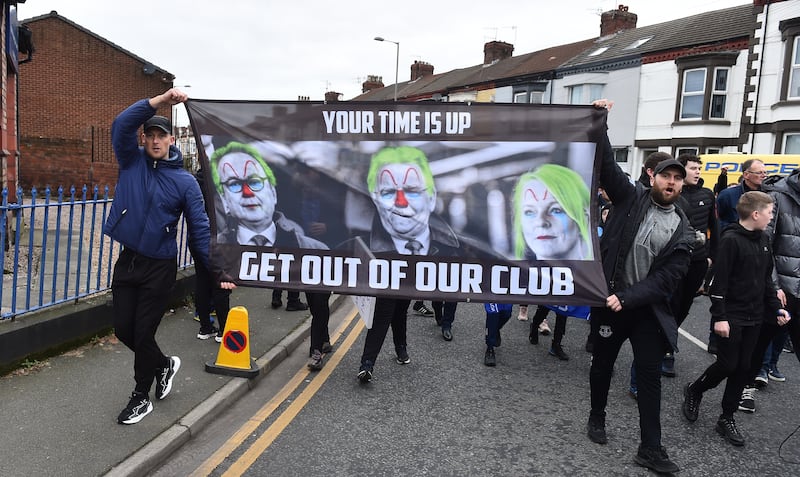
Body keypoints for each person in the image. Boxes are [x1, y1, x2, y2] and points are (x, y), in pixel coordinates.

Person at [586, 99, 690, 475]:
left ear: (682, 184)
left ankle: (651, 447)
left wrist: (627, 298)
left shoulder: (683, 231)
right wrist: (601, 122)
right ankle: (597, 416)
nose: (672, 182)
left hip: (642, 310)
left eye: (678, 178)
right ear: (653, 177)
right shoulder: (629, 198)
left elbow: (666, 281)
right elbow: (606, 167)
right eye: (667, 176)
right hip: (609, 302)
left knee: (649, 375)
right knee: (603, 365)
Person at [106, 88, 212, 425]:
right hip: (129, 261)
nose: (154, 140)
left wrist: (218, 269)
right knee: (124, 329)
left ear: (170, 141)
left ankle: (140, 397)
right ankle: (164, 364)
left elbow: (200, 228)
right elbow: (121, 124)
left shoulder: (184, 182)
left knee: (142, 332)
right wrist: (159, 100)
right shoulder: (131, 160)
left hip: (159, 268)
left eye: (160, 135)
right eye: (149, 134)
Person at [208, 141, 332, 369]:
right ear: (225, 201)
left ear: (272, 192)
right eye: (235, 185)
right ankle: (322, 338)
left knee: (319, 304)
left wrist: (328, 226)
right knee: (315, 306)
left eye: (254, 182)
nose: (247, 192)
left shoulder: (329, 195)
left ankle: (317, 347)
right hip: (288, 258)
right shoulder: (222, 248)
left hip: (314, 257)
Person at [681, 191, 789, 447]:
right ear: (755, 214)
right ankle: (695, 389)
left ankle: (726, 417)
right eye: (769, 212)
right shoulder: (731, 240)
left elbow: (765, 281)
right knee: (728, 364)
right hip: (731, 316)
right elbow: (718, 283)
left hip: (756, 316)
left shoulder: (763, 239)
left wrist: (776, 308)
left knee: (744, 368)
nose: (771, 216)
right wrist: (719, 317)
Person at [356, 145, 460, 382]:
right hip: (388, 275)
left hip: (411, 278)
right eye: (388, 192)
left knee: (400, 309)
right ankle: (368, 363)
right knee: (384, 311)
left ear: (431, 197)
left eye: (412, 190)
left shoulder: (455, 247)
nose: (400, 201)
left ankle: (401, 347)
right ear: (375, 199)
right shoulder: (363, 246)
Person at [512, 163, 593, 362]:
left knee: (564, 310)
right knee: (547, 305)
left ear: (581, 215)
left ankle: (556, 344)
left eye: (556, 210)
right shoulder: (529, 254)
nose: (541, 221)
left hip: (570, 273)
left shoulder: (584, 261)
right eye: (529, 212)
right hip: (546, 274)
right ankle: (535, 326)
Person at [737, 167, 800, 413]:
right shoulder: (778, 197)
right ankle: (744, 387)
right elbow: (764, 244)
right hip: (781, 290)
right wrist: (773, 287)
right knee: (758, 344)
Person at [661, 154, 719, 376]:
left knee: (685, 306)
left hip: (698, 262)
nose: (698, 172)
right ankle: (667, 350)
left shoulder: (707, 195)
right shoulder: (672, 194)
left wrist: (712, 257)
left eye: (699, 168)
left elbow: (715, 227)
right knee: (670, 304)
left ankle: (668, 339)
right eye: (693, 168)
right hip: (674, 262)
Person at [193, 168, 232, 342]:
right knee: (221, 283)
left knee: (202, 281)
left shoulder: (195, 181)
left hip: (196, 238)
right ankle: (223, 330)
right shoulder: (219, 182)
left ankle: (205, 328)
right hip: (216, 237)